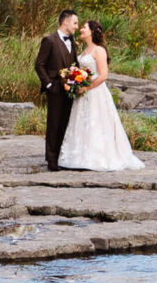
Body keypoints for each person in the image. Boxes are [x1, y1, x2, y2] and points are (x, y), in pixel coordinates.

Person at [55, 18, 144, 172]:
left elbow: (103, 75)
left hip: (96, 93)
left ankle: (96, 157)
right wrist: (74, 81)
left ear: (91, 31)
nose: (81, 29)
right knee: (80, 122)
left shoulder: (99, 50)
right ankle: (78, 156)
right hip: (82, 94)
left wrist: (86, 87)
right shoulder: (84, 51)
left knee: (96, 122)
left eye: (84, 27)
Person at [33, 8, 81, 172]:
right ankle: (51, 159)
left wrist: (77, 81)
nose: (76, 26)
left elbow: (74, 64)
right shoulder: (50, 41)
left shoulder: (72, 41)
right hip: (55, 89)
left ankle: (61, 156)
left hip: (70, 89)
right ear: (65, 22)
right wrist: (48, 85)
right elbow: (39, 65)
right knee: (53, 123)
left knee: (65, 123)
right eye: (75, 23)